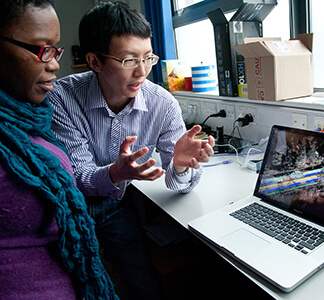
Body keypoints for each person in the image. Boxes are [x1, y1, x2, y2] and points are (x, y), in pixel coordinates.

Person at [49, 1, 215, 298]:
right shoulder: (62, 97)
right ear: (94, 61)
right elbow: (76, 177)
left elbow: (179, 184)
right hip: (69, 205)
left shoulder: (162, 104)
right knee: (72, 282)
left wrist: (179, 165)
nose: (142, 72)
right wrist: (114, 174)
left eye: (148, 58)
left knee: (141, 282)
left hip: (116, 205)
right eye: (129, 60)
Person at [0, 0, 118, 299]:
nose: (53, 63)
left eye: (56, 49)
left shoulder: (33, 117)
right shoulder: (62, 100)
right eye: (41, 49)